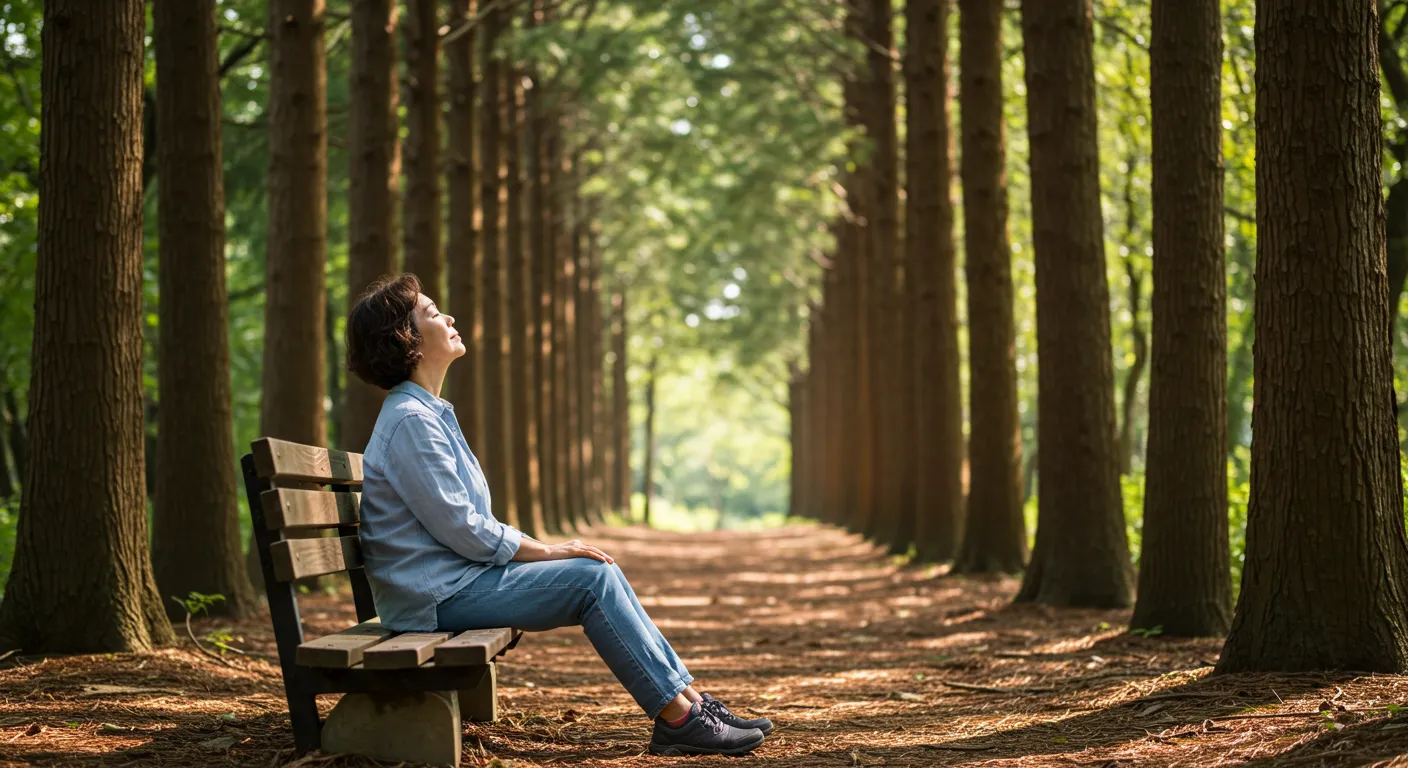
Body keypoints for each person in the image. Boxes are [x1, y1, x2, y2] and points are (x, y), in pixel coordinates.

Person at [344, 274, 772, 757]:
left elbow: (460, 525)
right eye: (432, 313)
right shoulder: (411, 422)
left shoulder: (425, 414)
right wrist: (545, 551)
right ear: (408, 341)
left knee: (597, 569)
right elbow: (463, 527)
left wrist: (541, 553)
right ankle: (679, 718)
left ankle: (691, 703)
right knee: (591, 579)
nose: (450, 318)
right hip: (434, 597)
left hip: (447, 584)